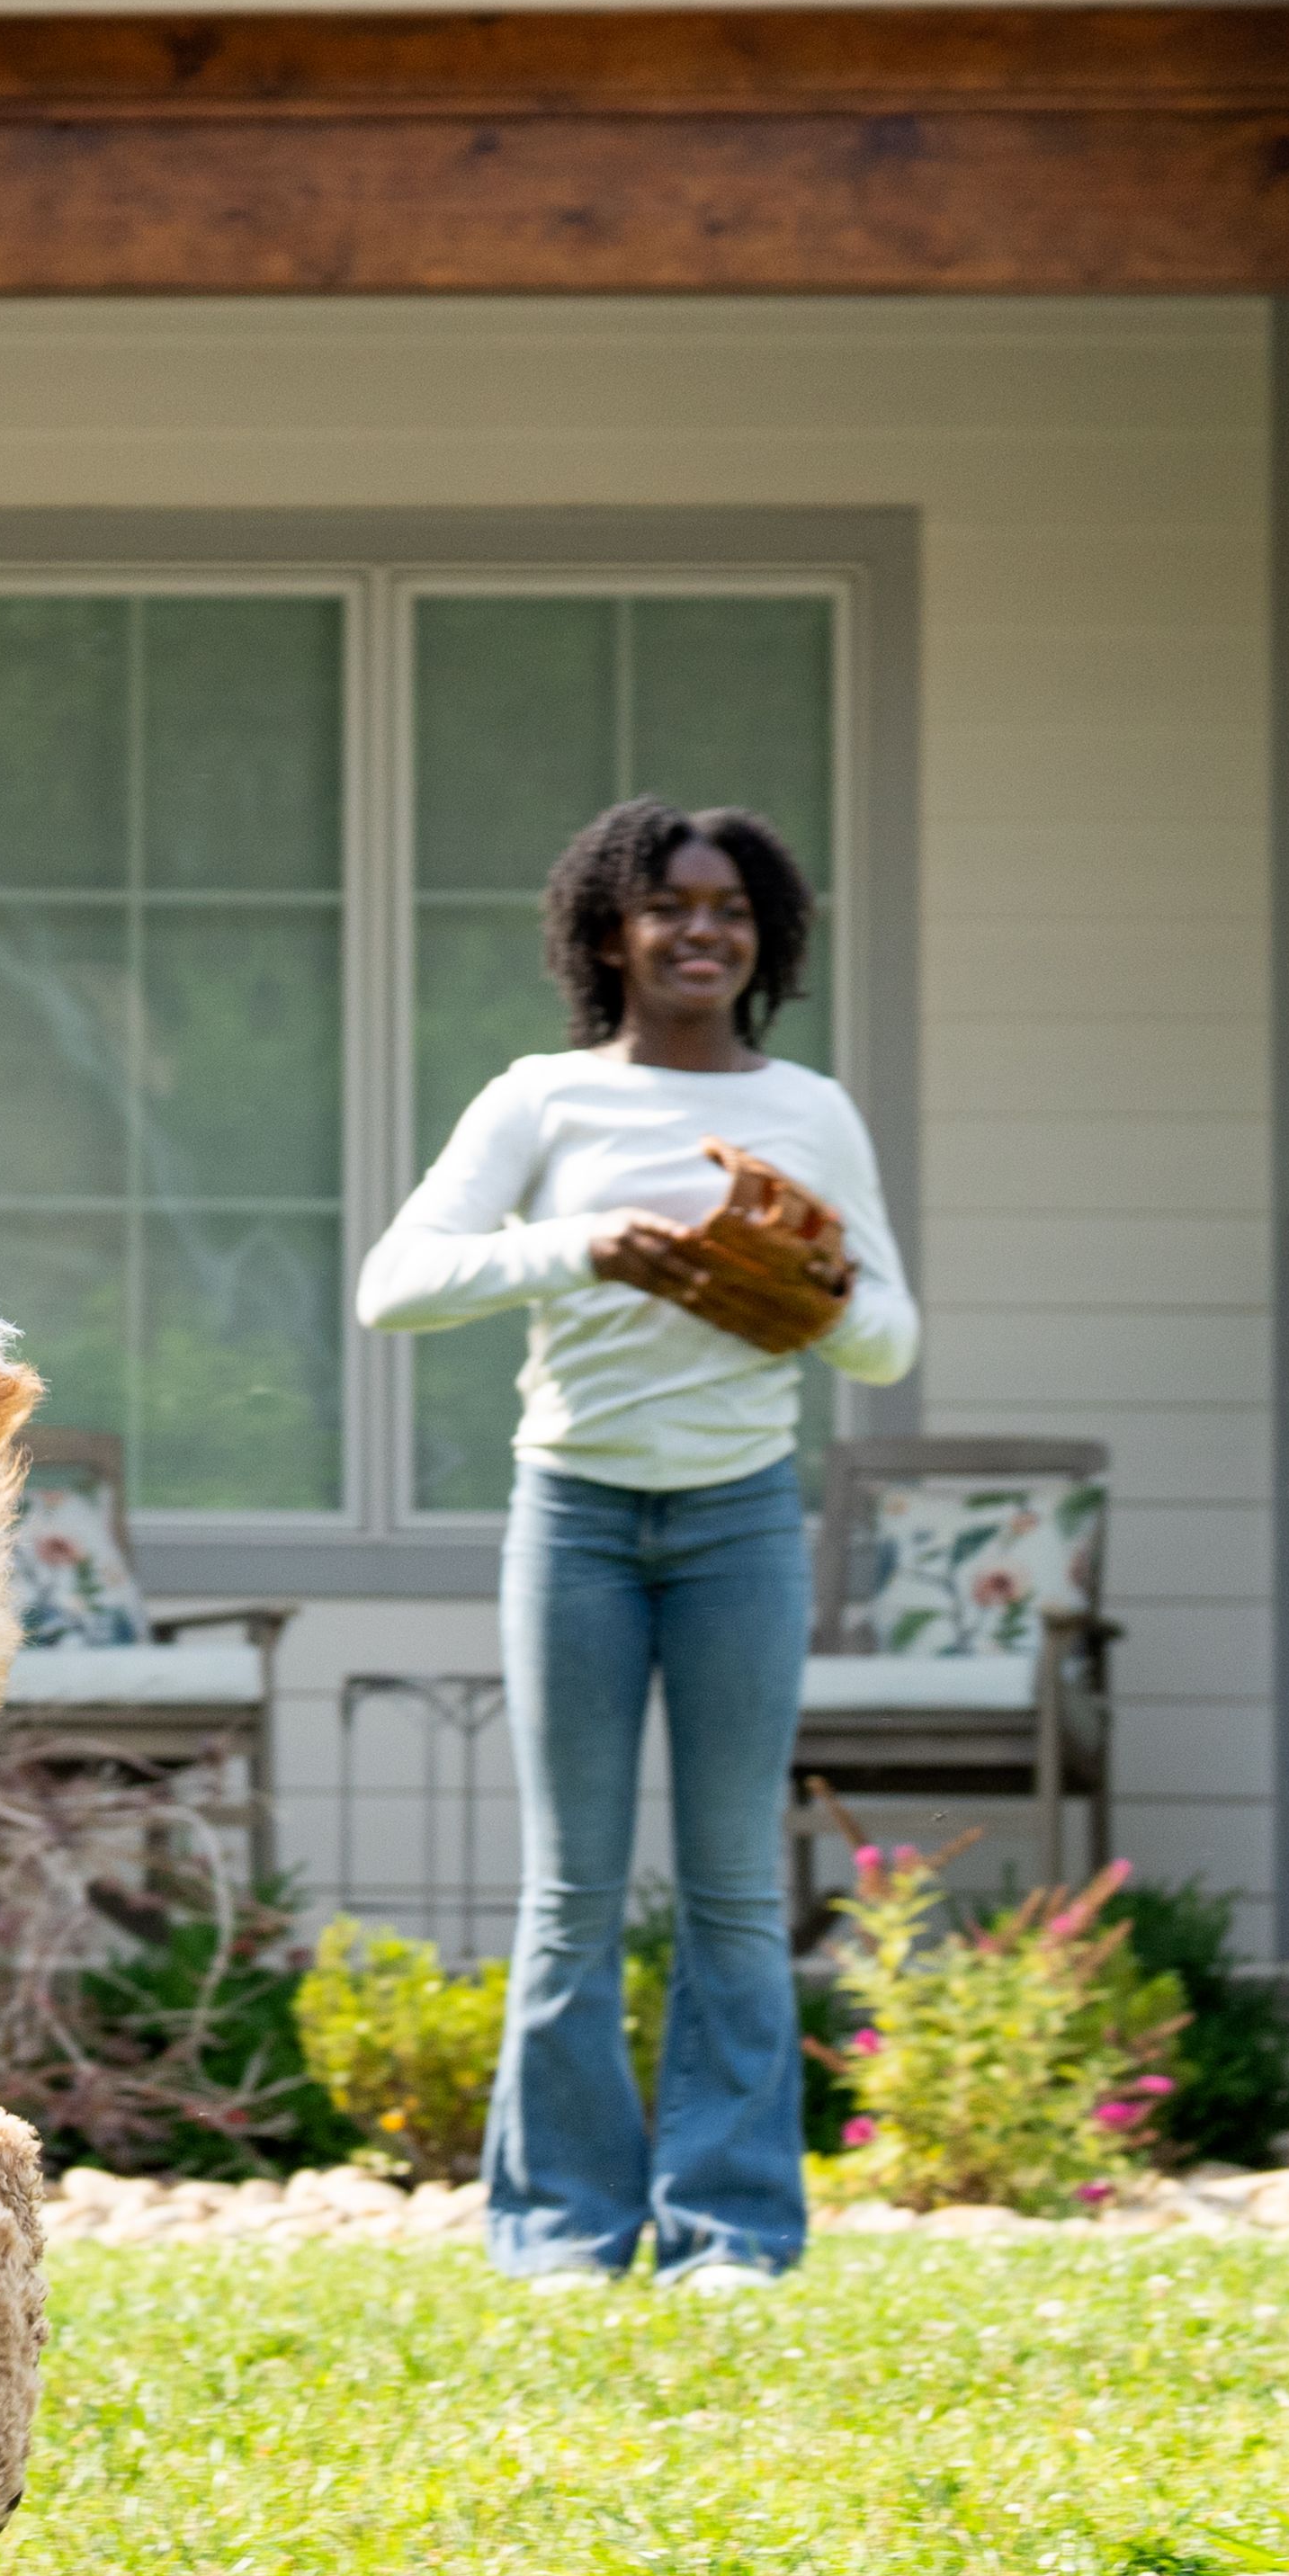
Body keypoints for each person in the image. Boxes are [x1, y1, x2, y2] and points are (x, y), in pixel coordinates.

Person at [358, 801, 924, 2291]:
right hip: (576, 1523)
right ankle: (557, 2233)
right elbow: (394, 1286)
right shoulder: (541, 1100)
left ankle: (731, 2233)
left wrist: (799, 1277)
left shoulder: (809, 1110)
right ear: (607, 930)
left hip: (742, 1522)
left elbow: (886, 1343)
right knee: (572, 1892)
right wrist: (587, 1246)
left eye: (729, 909)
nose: (698, 931)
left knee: (737, 1887)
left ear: (767, 937)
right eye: (665, 905)